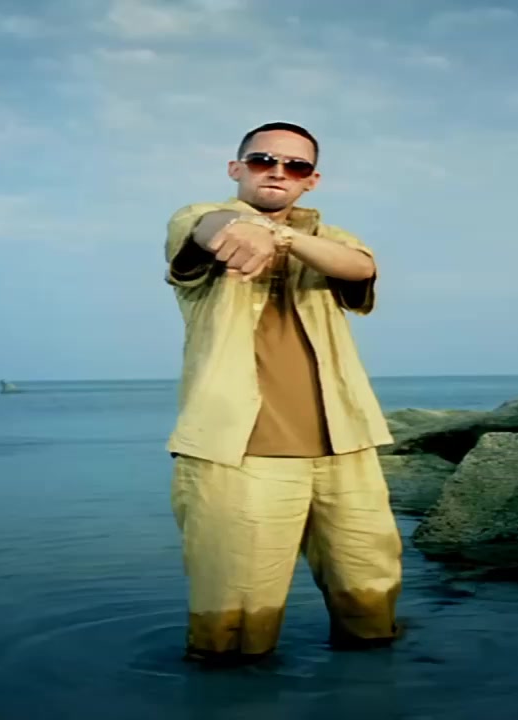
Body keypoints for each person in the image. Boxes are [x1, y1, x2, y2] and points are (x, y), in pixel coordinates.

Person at [162, 121, 403, 665]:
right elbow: (206, 228)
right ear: (236, 168)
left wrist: (282, 238)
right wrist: (246, 229)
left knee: (371, 607)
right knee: (233, 630)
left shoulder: (330, 238)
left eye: (295, 166)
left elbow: (362, 267)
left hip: (345, 447)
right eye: (262, 160)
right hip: (238, 453)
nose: (277, 171)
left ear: (311, 180)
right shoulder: (197, 217)